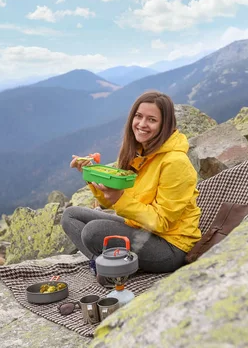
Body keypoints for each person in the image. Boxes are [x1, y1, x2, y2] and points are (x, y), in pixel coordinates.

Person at [61, 91, 201, 274]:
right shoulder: (138, 152)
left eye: (151, 119)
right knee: (70, 215)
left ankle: (107, 269)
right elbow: (107, 202)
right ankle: (102, 265)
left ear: (164, 125)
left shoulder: (175, 162)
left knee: (93, 232)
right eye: (138, 116)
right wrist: (92, 175)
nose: (142, 124)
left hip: (171, 246)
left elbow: (161, 222)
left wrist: (120, 200)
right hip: (138, 226)